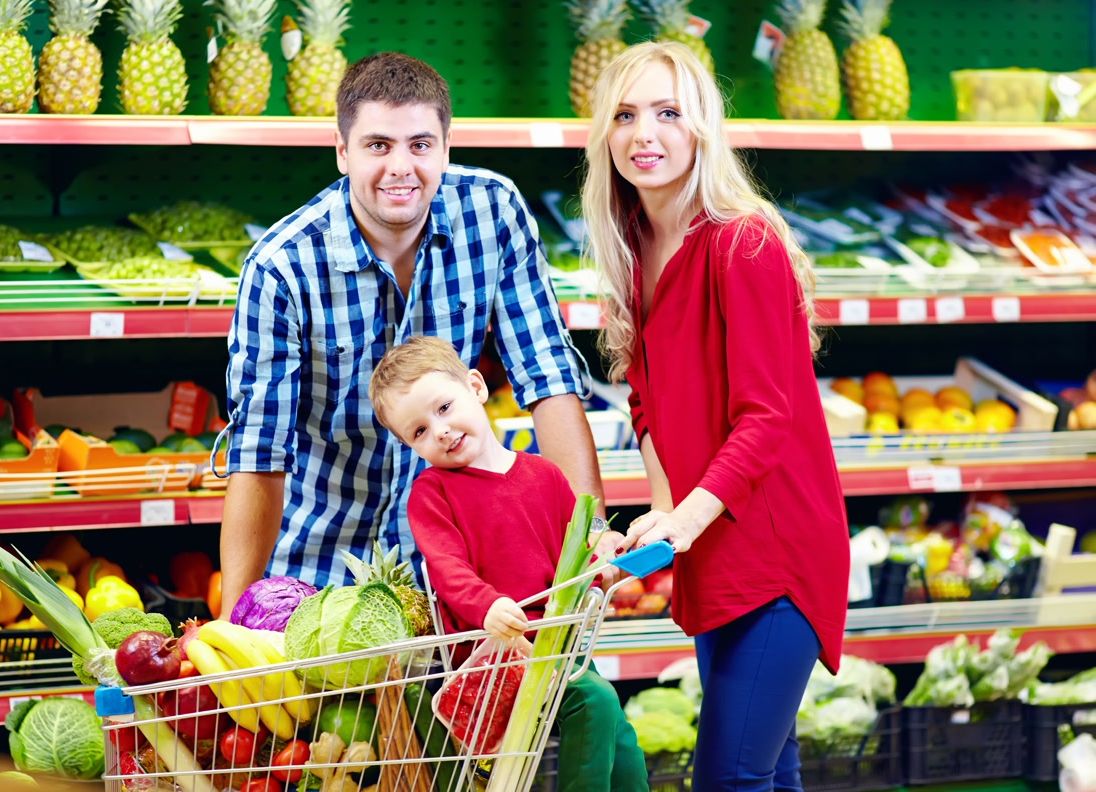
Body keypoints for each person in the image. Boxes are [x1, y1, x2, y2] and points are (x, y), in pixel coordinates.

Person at [219, 52, 611, 615]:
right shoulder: (282, 266)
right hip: (320, 575)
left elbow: (548, 378)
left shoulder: (493, 213)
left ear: (445, 149)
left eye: (420, 145)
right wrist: (235, 629)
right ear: (342, 151)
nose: (401, 167)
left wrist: (586, 537)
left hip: (469, 574)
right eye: (378, 145)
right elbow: (259, 452)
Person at [581, 42, 851, 790]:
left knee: (730, 777)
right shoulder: (636, 246)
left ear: (703, 127)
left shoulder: (743, 244)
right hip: (715, 544)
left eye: (669, 113)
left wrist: (683, 521)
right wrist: (664, 506)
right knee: (769, 769)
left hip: (779, 548)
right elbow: (645, 399)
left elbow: (766, 418)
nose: (647, 134)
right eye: (627, 116)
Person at [369, 335, 647, 792]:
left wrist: (602, 569)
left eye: (443, 408)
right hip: (491, 656)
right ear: (409, 445)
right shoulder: (432, 494)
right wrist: (487, 607)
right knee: (593, 701)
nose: (438, 430)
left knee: (623, 743)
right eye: (418, 431)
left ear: (476, 387)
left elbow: (571, 558)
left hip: (558, 641)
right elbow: (447, 570)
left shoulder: (546, 476)